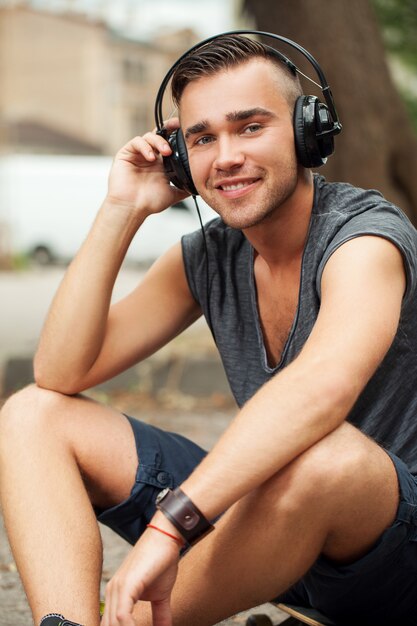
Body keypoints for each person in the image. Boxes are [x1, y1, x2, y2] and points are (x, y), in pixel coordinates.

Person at [1, 32, 417, 626]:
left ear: (308, 132)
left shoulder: (364, 239)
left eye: (250, 127)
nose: (225, 156)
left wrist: (172, 525)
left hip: (389, 554)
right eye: (202, 137)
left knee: (328, 458)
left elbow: (322, 388)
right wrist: (121, 210)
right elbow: (60, 371)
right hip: (269, 537)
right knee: (31, 414)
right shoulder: (208, 257)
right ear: (179, 157)